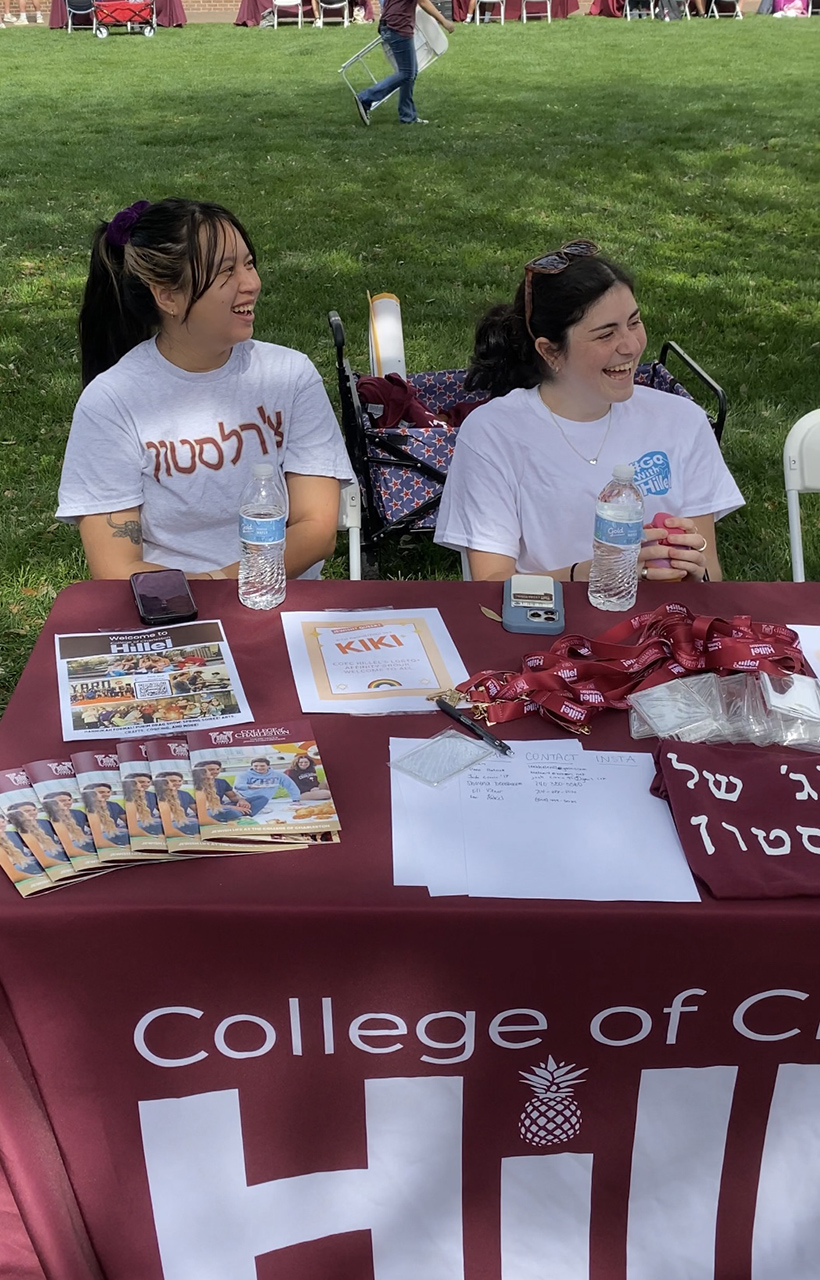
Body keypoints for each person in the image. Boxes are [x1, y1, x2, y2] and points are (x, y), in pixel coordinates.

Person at [57, 198, 353, 582]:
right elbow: (116, 568)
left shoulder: (289, 375)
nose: (251, 284)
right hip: (172, 610)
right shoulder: (112, 403)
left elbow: (316, 530)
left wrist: (230, 582)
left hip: (283, 601)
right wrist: (212, 592)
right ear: (167, 296)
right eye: (226, 272)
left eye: (249, 264)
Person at [434, 241, 744, 584]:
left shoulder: (683, 421)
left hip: (662, 629)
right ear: (551, 352)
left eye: (634, 321)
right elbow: (491, 585)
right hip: (548, 630)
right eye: (606, 334)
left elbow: (711, 573)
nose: (630, 345)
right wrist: (590, 574)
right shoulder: (494, 433)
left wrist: (695, 571)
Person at [354, 0, 454, 127]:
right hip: (399, 26)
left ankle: (408, 116)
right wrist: (444, 21)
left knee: (411, 72)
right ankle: (365, 97)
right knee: (407, 73)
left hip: (391, 24)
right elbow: (423, 2)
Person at [235, 758, 301, 808]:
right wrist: (250, 786)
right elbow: (237, 786)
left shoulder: (277, 775)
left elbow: (291, 786)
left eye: (262, 766)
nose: (259, 768)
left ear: (268, 766)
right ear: (251, 766)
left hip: (267, 800)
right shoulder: (244, 775)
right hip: (247, 799)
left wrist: (296, 799)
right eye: (256, 766)